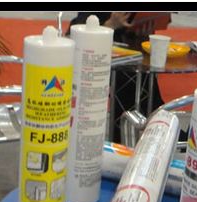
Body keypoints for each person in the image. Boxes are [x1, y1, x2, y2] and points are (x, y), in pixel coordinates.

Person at [66, 12, 164, 143]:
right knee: (130, 83)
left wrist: (145, 26)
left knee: (142, 82)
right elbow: (72, 39)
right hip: (101, 63)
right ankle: (147, 131)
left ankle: (154, 129)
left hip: (136, 59)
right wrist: (111, 24)